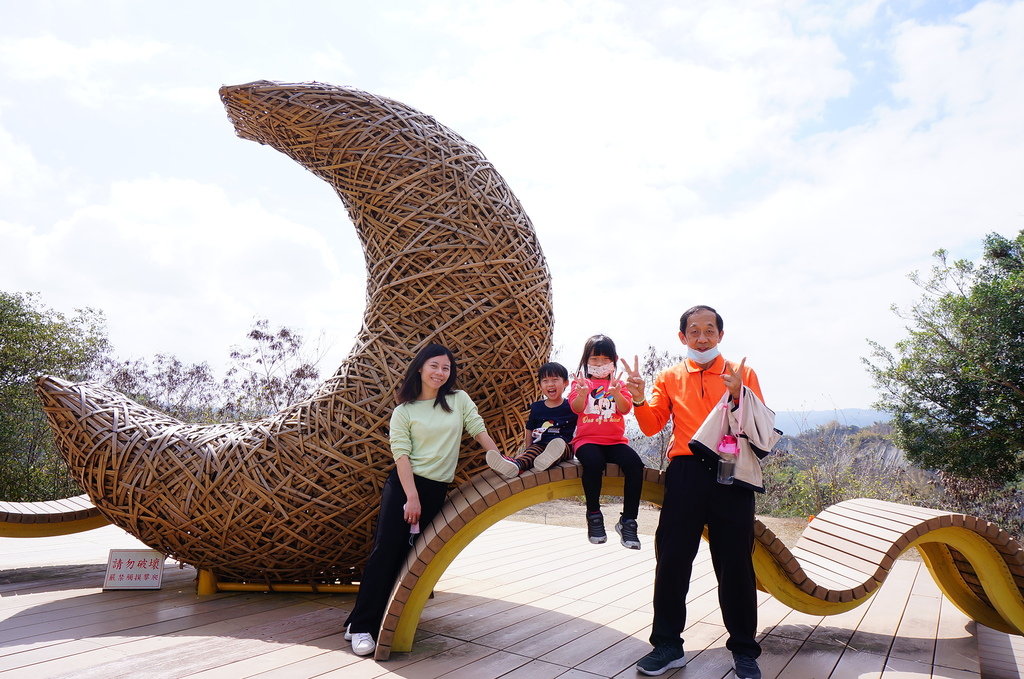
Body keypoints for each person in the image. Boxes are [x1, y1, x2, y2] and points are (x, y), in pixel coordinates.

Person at [623, 306, 765, 679]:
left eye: (709, 330)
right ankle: (668, 645)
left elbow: (760, 426)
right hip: (685, 472)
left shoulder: (741, 372)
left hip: (731, 472)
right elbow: (653, 425)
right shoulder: (669, 376)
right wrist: (638, 399)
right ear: (682, 337)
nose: (702, 338)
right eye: (694, 331)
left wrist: (739, 395)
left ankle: (745, 650)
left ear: (720, 335)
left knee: (735, 562)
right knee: (672, 560)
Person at [344, 343, 501, 657]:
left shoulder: (458, 401)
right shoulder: (404, 411)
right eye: (435, 366)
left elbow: (477, 429)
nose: (440, 373)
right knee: (385, 552)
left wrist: (499, 457)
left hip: (436, 489)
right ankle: (361, 627)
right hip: (404, 487)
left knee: (412, 558)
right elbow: (401, 456)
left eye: (446, 368)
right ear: (420, 368)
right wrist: (411, 498)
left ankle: (374, 622)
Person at [569, 334, 646, 550]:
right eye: (594, 359)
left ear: (613, 360)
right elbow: (576, 408)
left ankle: (628, 521)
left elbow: (624, 409)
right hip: (587, 441)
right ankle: (594, 514)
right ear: (586, 361)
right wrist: (583, 394)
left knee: (635, 466)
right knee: (593, 463)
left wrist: (617, 393)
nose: (600, 364)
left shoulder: (619, 384)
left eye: (605, 359)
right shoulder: (581, 383)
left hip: (615, 441)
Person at [487, 362, 577, 478]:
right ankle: (515, 466)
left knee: (559, 447)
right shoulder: (537, 407)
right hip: (540, 445)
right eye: (545, 381)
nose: (550, 384)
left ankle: (548, 459)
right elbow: (530, 428)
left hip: (564, 446)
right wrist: (528, 449)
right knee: (530, 455)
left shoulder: (571, 406)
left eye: (555, 380)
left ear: (565, 383)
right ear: (540, 386)